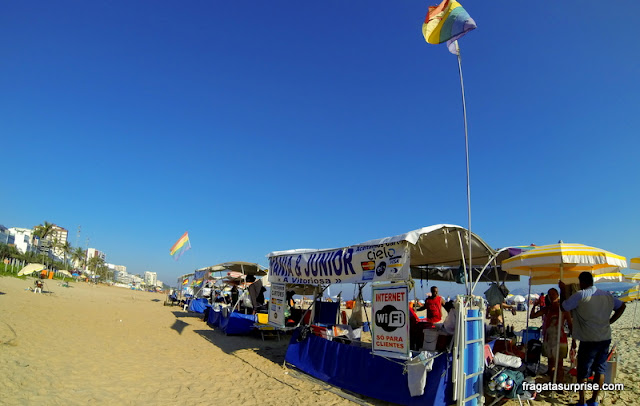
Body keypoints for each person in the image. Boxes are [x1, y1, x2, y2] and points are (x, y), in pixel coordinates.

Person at [559, 272, 626, 406]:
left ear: (581, 282)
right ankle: (594, 400)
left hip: (588, 339)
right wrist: (610, 321)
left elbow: (564, 306)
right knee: (600, 371)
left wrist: (562, 290)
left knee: (583, 372)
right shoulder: (606, 295)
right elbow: (622, 306)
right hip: (604, 337)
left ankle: (582, 400)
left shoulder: (581, 295)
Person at [530, 288, 574, 383]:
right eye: (550, 294)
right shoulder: (547, 309)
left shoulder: (563, 309)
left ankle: (559, 382)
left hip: (560, 338)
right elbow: (532, 316)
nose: (552, 296)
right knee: (551, 364)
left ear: (557, 295)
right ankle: (552, 381)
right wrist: (535, 305)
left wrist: (574, 341)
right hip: (549, 339)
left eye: (553, 294)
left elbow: (570, 325)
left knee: (559, 364)